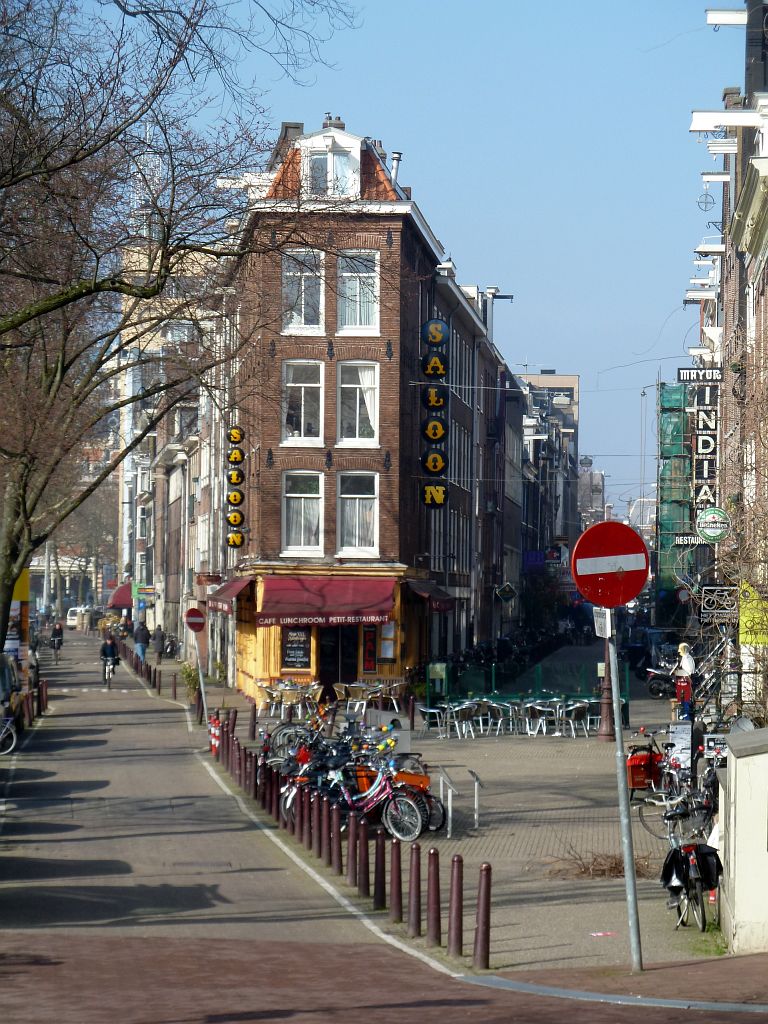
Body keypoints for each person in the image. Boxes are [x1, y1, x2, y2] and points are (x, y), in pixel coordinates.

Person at [673, 642, 696, 722]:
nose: (679, 652)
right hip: (685, 682)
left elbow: (689, 671)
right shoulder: (686, 658)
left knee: (687, 704)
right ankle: (686, 719)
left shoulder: (687, 658)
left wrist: (678, 673)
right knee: (685, 703)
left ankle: (687, 721)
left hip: (686, 683)